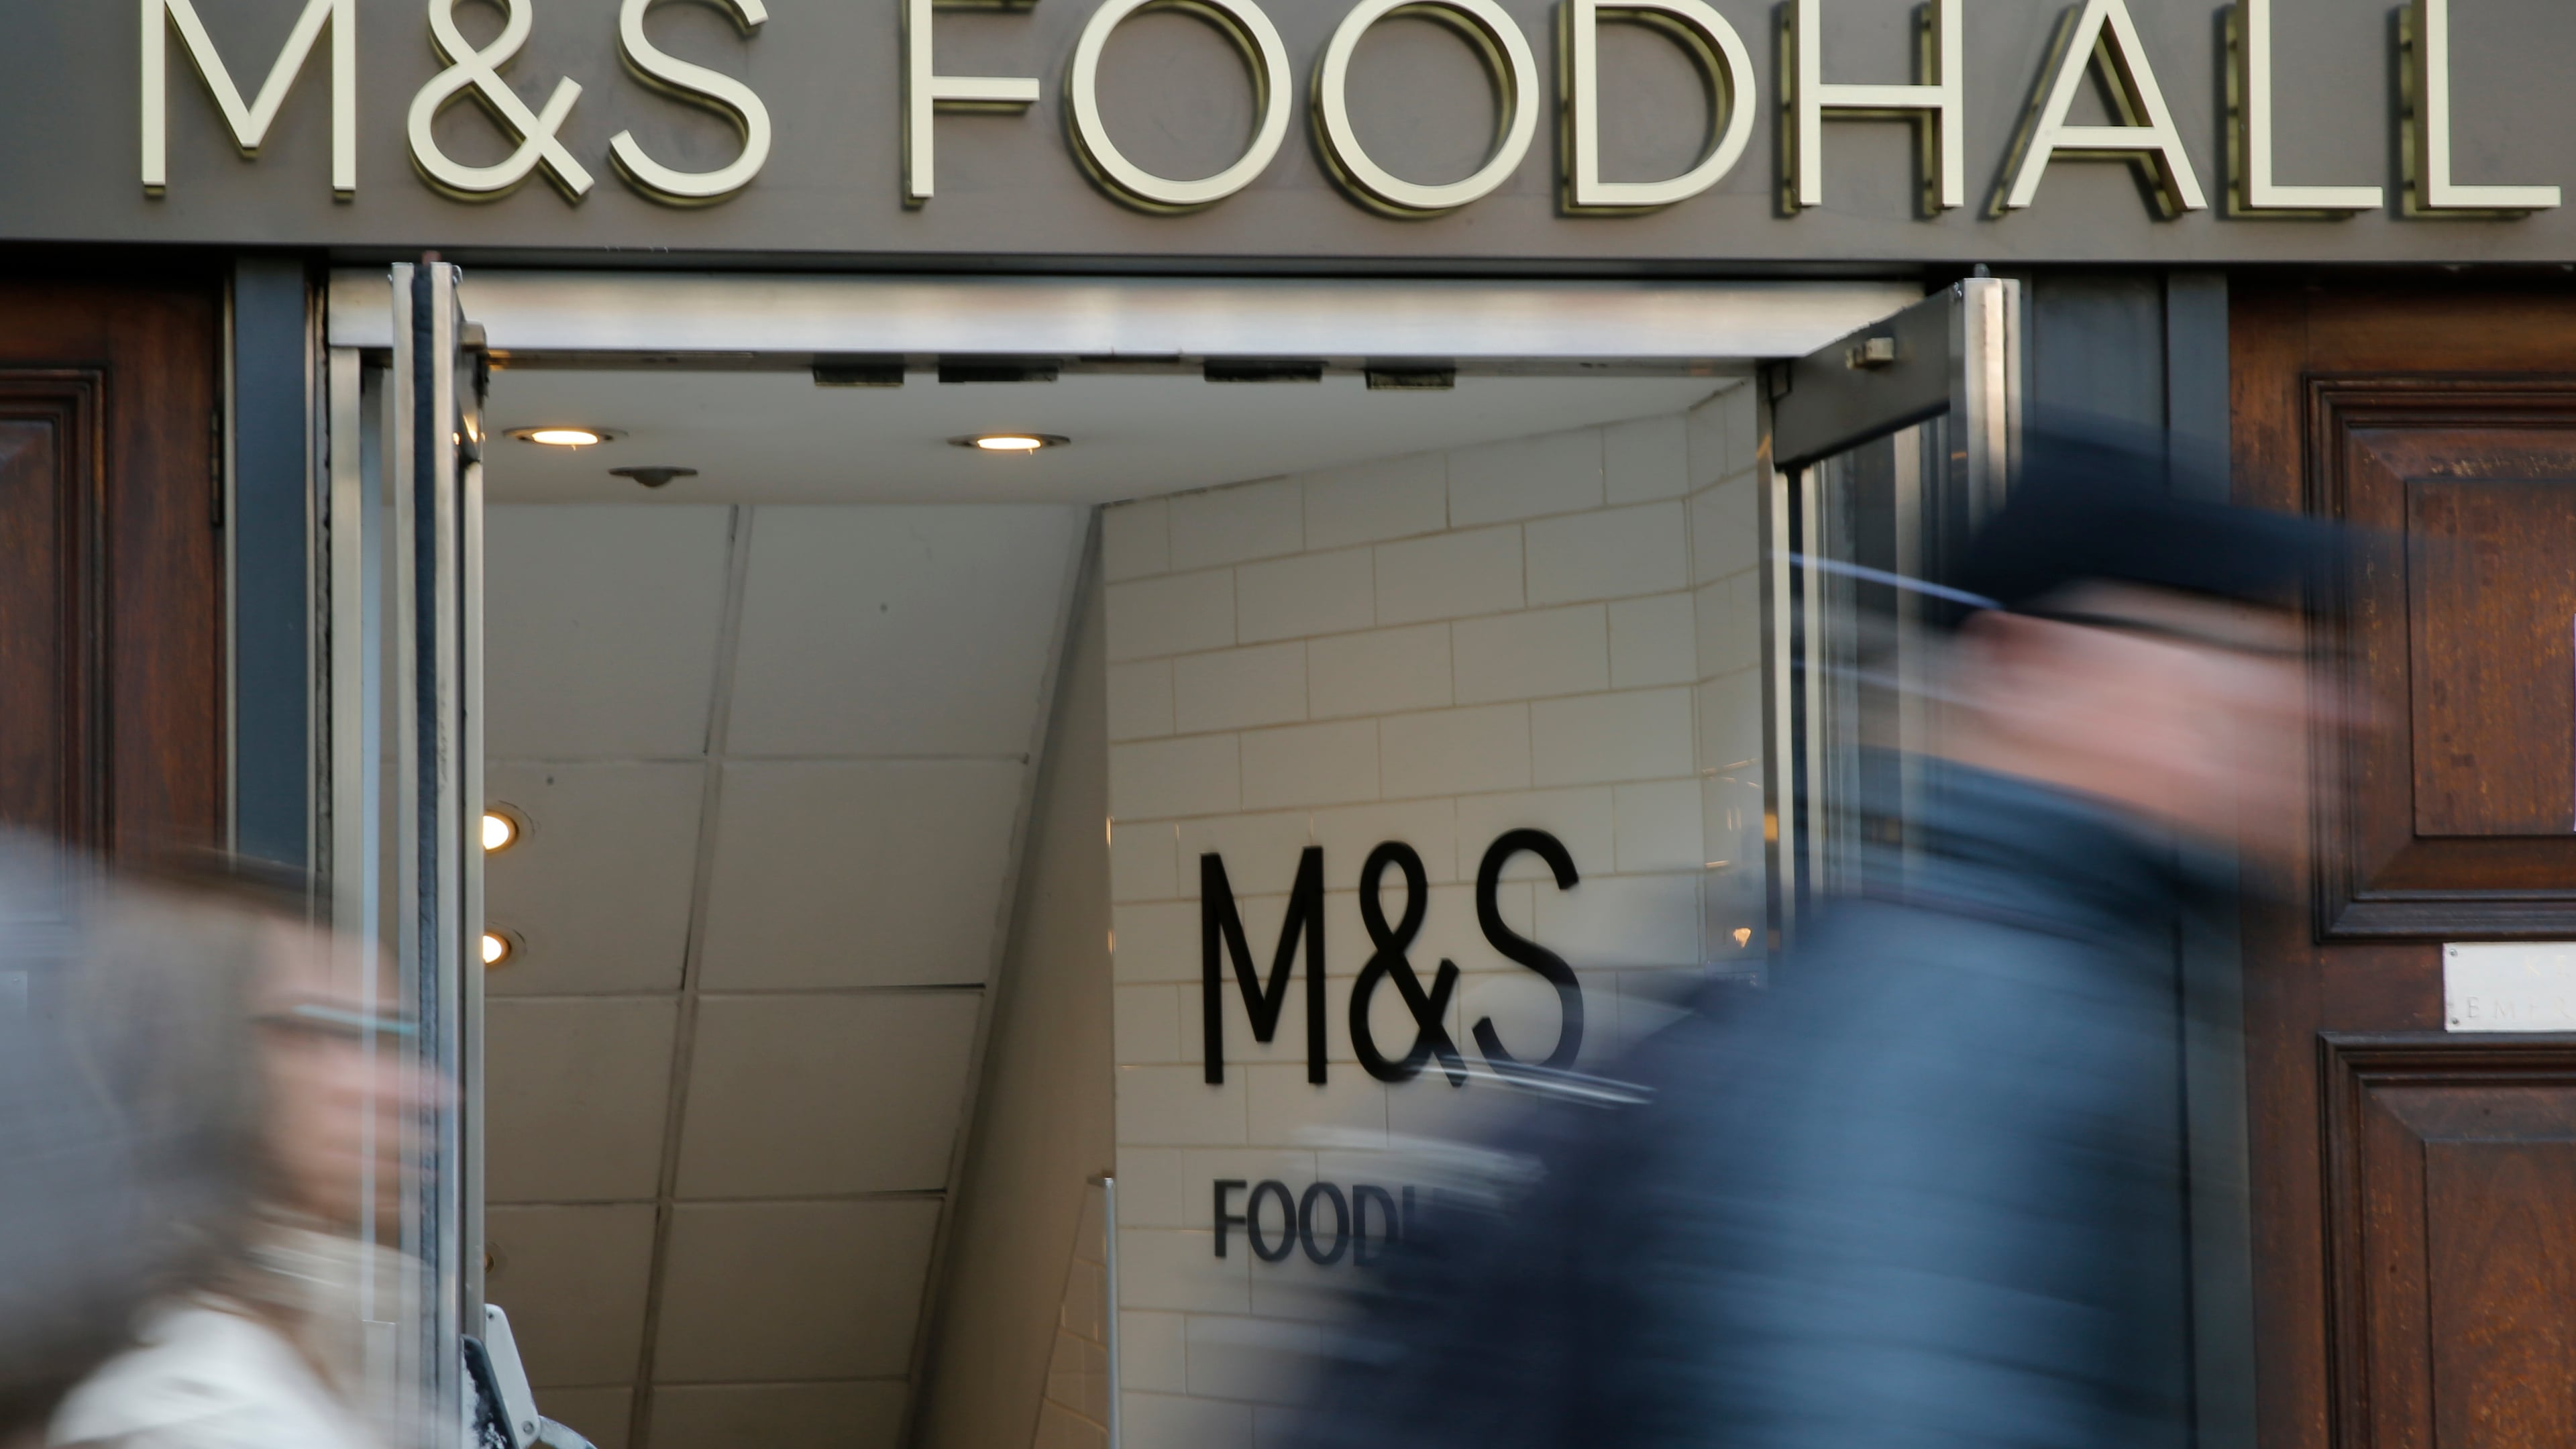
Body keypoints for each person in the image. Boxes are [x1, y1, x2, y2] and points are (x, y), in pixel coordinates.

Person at [1279, 423, 2345, 1449]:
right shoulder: (1948, 1009)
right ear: (2029, 667)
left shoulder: (1985, 962)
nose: (2305, 701)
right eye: (2224, 646)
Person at [28, 856, 426, 1449]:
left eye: (388, 1038)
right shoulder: (178, 1405)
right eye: (316, 1031)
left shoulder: (336, 1330)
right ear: (178, 1059)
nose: (414, 1088)